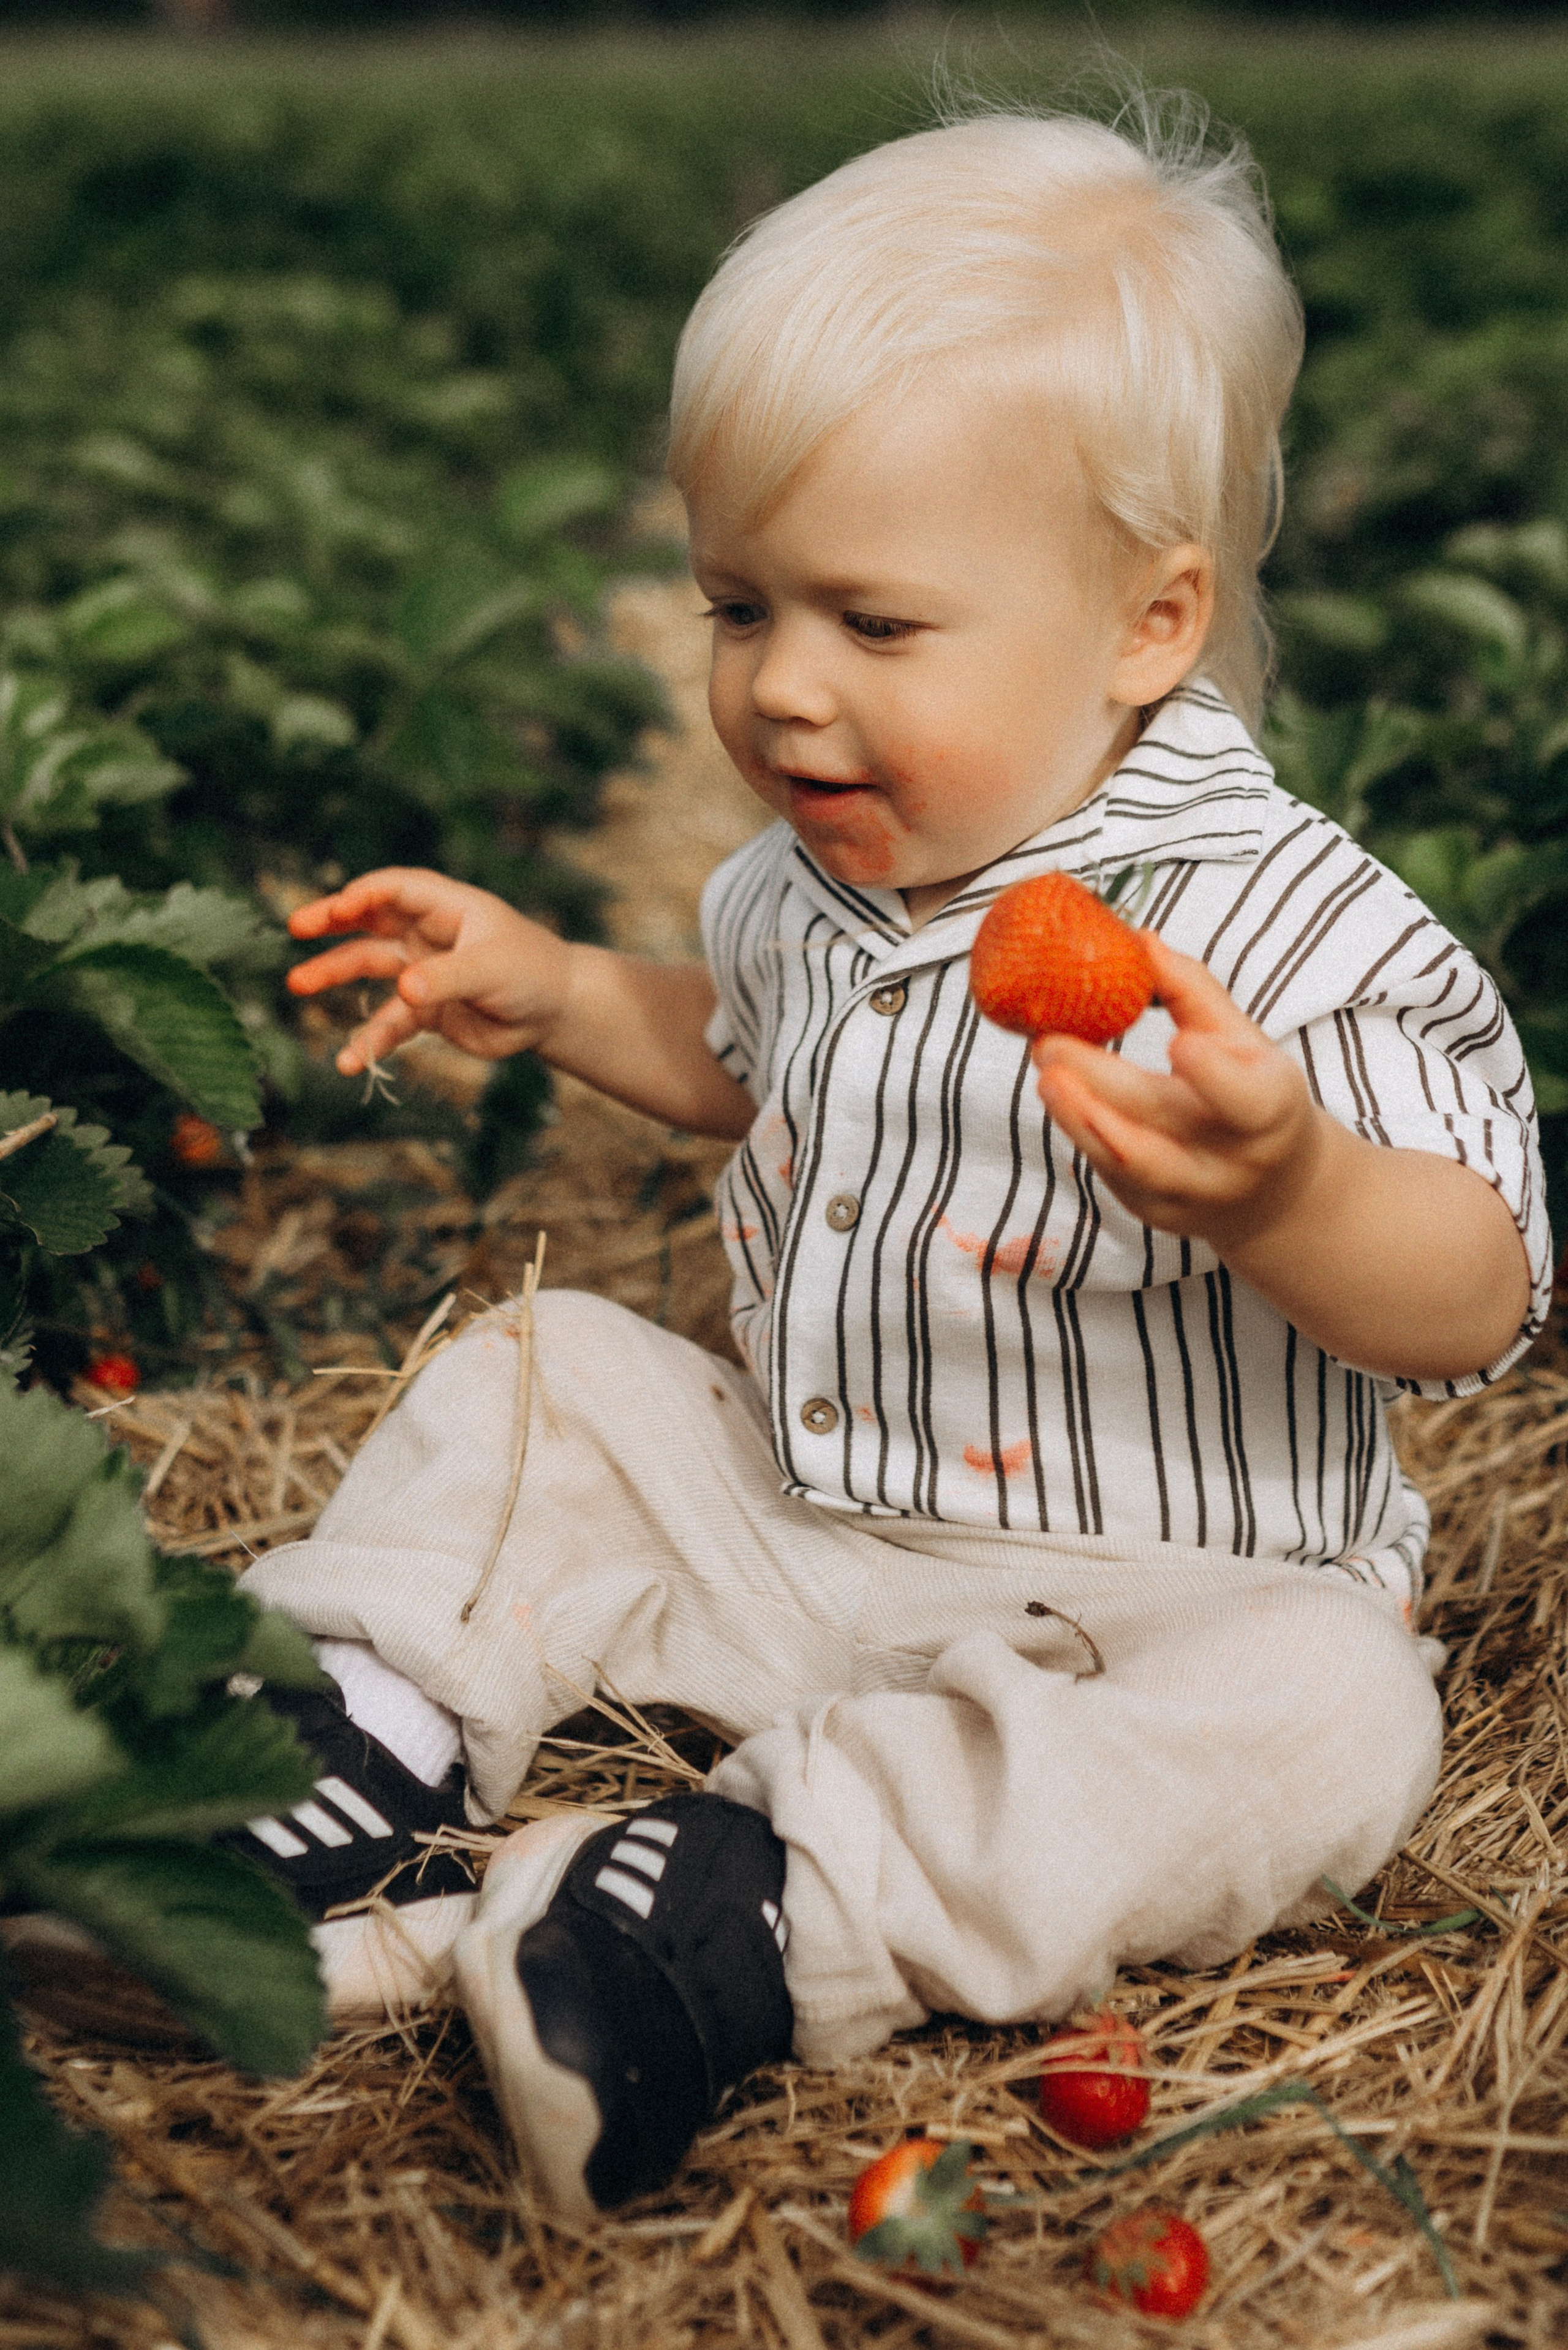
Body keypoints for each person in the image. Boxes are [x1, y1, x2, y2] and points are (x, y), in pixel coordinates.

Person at [236, 100, 1549, 2223]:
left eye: (875, 623)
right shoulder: (812, 880)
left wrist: (1288, 1188)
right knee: (548, 1370)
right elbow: (756, 1056)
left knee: (1332, 1719)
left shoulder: (1289, 929)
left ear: (1148, 624)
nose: (782, 692)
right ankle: (328, 1743)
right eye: (739, 606)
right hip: (810, 1528)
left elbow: (1477, 1277)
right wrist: (569, 988)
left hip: (1161, 1608)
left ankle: (747, 1916)